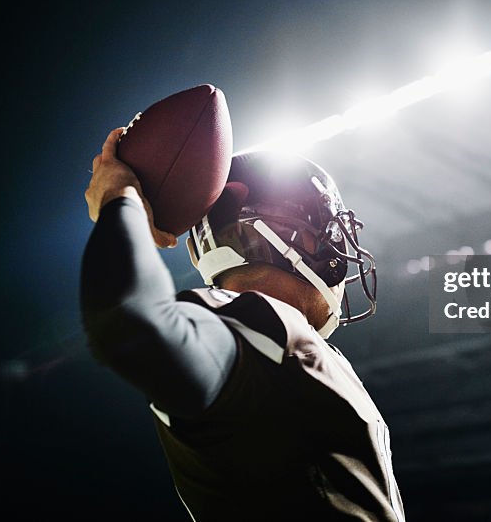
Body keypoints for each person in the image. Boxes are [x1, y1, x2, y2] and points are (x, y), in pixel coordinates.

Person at [80, 126, 405, 521]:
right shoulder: (261, 325)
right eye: (329, 231)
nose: (337, 246)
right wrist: (118, 197)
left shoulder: (282, 339)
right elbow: (129, 320)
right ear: (286, 235)